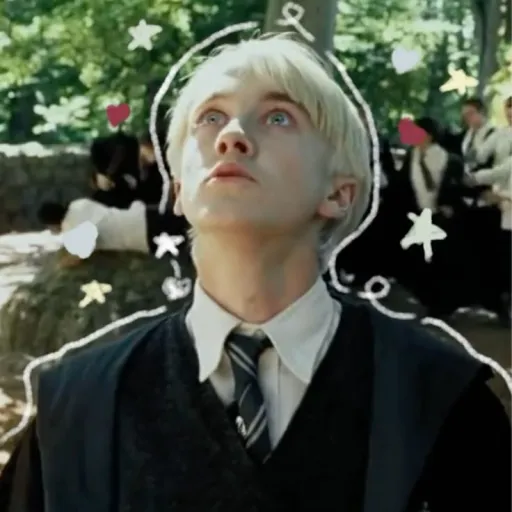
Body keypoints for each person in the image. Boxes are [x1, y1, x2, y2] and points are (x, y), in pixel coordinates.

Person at [0, 34, 510, 512]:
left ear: (339, 192)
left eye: (278, 117)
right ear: (178, 190)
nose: (232, 135)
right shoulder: (74, 411)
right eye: (210, 117)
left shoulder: (441, 403)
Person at [464, 95, 512, 325]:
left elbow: (505, 168)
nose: (510, 114)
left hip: (504, 194)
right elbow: (480, 155)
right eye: (508, 109)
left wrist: (475, 178)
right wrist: (473, 136)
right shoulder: (501, 134)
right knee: (503, 255)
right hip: (500, 199)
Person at [36, 197, 188, 267]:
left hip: (143, 235)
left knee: (189, 242)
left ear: (51, 224)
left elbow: (82, 252)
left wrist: (63, 263)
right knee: (189, 221)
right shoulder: (79, 204)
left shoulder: (71, 230)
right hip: (143, 215)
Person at [89, 132, 141, 209]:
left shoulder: (131, 148)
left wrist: (115, 182)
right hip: (108, 195)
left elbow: (133, 182)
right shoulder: (98, 149)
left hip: (124, 197)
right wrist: (99, 176)